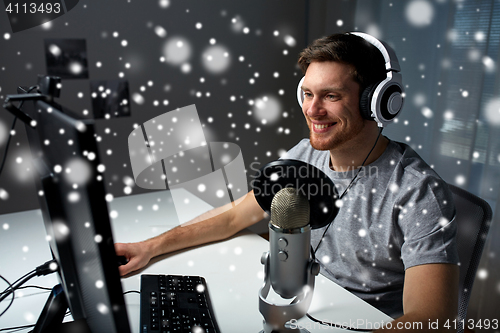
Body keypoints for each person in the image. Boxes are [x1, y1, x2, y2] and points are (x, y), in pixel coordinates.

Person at [115, 33, 459, 332]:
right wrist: (149, 247)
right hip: (300, 303)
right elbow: (236, 215)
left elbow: (432, 318)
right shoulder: (305, 154)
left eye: (331, 96)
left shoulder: (418, 192)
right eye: (307, 94)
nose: (312, 110)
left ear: (377, 102)